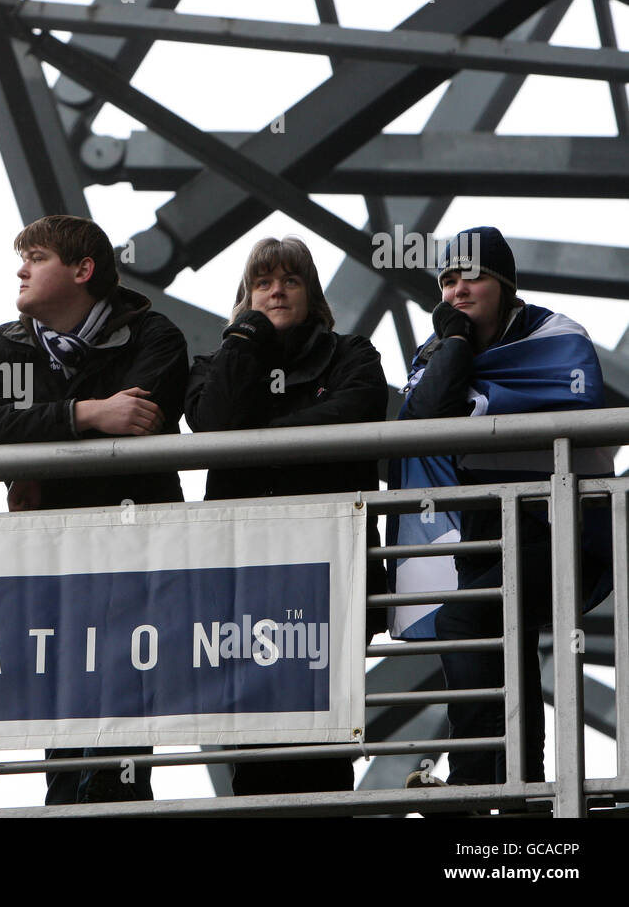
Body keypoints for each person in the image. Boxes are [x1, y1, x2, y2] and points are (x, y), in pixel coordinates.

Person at [0, 214, 189, 805]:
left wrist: (39, 436)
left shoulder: (154, 335)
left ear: (83, 270)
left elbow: (138, 422)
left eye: (35, 257)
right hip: (50, 562)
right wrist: (85, 414)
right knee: (63, 727)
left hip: (137, 559)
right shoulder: (0, 345)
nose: (21, 268)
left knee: (123, 730)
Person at [391, 227, 613, 788]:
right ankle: (521, 785)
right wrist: (459, 345)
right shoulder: (440, 348)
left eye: (472, 275)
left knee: (466, 620)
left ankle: (472, 783)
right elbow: (424, 417)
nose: (457, 289)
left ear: (505, 282)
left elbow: (576, 391)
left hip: (566, 526)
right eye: (446, 279)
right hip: (487, 527)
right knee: (504, 642)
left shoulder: (556, 334)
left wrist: (456, 359)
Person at [185, 235, 387, 797]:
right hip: (243, 576)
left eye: (290, 280)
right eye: (263, 282)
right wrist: (243, 345)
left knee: (326, 746)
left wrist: (259, 441)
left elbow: (357, 408)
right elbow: (215, 424)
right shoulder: (218, 362)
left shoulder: (352, 354)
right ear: (246, 297)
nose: (276, 291)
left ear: (312, 294)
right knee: (252, 747)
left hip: (330, 570)